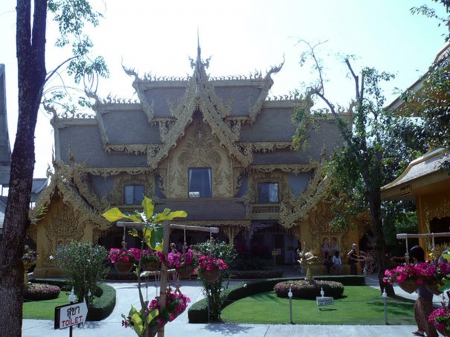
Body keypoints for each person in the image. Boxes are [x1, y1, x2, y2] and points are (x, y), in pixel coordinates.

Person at [410, 245, 438, 337]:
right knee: (417, 310)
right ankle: (420, 329)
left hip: (424, 295)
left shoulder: (419, 266)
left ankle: (432, 334)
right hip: (424, 293)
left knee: (427, 316)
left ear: (414, 256)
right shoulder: (426, 265)